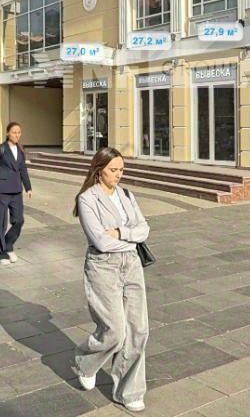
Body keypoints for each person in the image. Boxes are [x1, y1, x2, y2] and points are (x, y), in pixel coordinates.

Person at [72, 147, 150, 413]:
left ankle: (130, 391)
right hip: (103, 267)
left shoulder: (126, 194)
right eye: (113, 170)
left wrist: (120, 232)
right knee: (115, 331)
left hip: (132, 265)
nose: (118, 175)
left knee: (138, 329)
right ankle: (86, 361)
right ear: (99, 170)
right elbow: (101, 242)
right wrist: (131, 238)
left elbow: (144, 229)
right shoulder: (87, 199)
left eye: (121, 170)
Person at [0, 122, 32, 264]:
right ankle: (1, 253)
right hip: (1, 190)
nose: (17, 135)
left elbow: (23, 169)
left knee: (19, 220)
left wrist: (28, 187)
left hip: (16, 190)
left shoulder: (20, 150)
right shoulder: (0, 149)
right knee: (0, 222)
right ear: (8, 133)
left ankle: (8, 244)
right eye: (14, 132)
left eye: (19, 132)